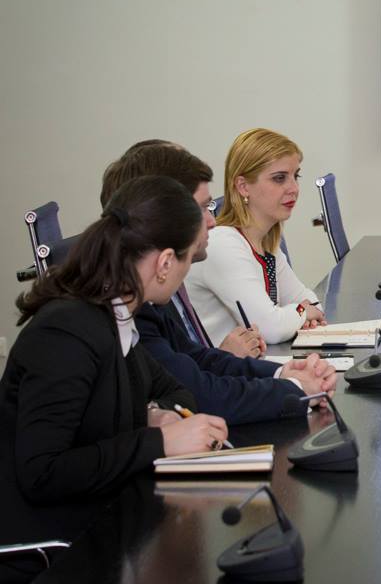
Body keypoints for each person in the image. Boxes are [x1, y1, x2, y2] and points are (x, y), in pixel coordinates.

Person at [0, 176, 229, 572]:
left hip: (100, 519)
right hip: (52, 551)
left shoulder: (116, 316)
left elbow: (177, 393)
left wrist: (154, 414)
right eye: (189, 259)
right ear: (164, 263)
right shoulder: (68, 331)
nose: (186, 273)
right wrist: (159, 440)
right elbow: (42, 472)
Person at [101, 142, 337, 424]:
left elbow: (196, 359)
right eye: (203, 208)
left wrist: (283, 374)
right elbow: (200, 389)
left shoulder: (152, 299)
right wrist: (295, 388)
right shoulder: (135, 303)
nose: (212, 221)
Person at [186, 128, 326, 346]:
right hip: (221, 366)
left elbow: (314, 304)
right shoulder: (222, 244)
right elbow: (270, 328)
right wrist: (301, 312)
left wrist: (298, 313)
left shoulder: (266, 242)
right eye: (279, 178)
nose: (294, 188)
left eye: (295, 176)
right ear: (243, 187)